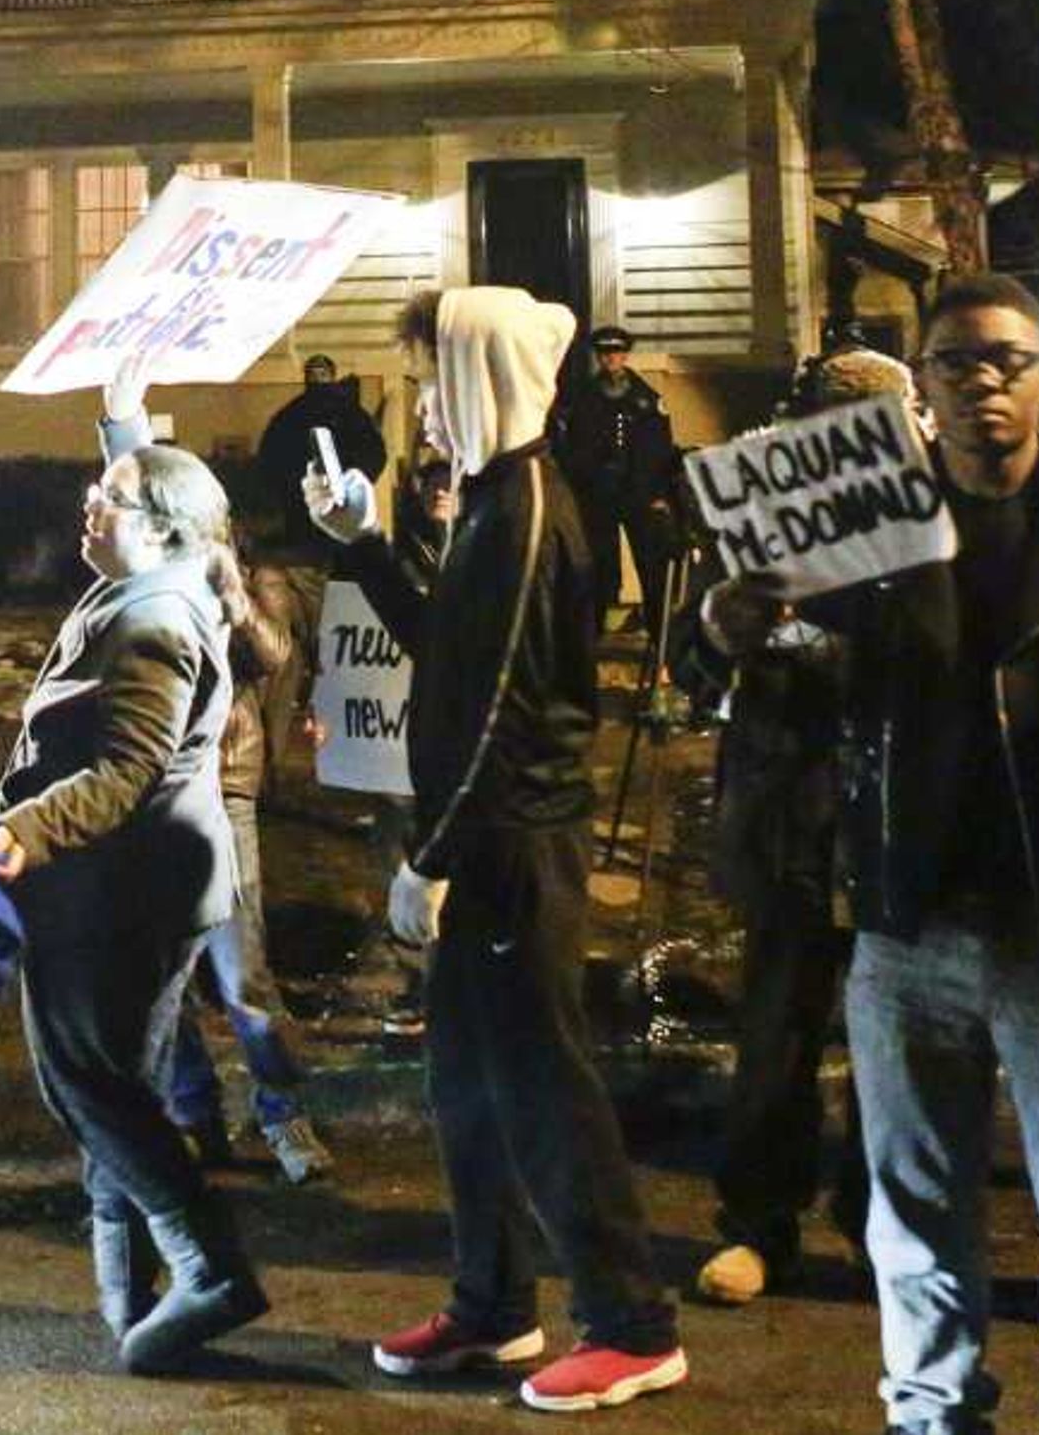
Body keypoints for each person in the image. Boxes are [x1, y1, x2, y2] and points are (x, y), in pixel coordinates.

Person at [691, 273, 1039, 1433]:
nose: (985, 382)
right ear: (921, 385)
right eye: (957, 362)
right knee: (915, 1214)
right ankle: (934, 1412)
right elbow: (769, 677)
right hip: (905, 917)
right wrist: (727, 631)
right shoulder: (866, 525)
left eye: (1008, 360)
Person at [307, 287, 689, 1414]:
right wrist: (366, 546)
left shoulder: (523, 506)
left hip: (514, 839)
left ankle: (631, 1322)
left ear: (478, 380)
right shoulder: (494, 501)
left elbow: (498, 713)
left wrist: (436, 852)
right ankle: (492, 1303)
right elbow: (447, 642)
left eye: (432, 380)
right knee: (467, 1077)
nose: (421, 404)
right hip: (496, 831)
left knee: (539, 1081)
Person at [0, 367, 264, 1376]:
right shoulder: (165, 578)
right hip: (153, 885)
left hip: (117, 887)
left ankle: (207, 1266)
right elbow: (153, 496)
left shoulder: (153, 620)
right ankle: (131, 1300)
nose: (90, 504)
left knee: (88, 1083)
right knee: (117, 1081)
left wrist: (31, 829)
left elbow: (126, 767)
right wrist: (124, 423)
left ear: (165, 528)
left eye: (110, 499)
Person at [684, 348, 913, 1310]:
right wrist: (719, 622)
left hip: (896, 813)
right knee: (778, 1028)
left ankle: (879, 1226)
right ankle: (758, 1227)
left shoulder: (927, 527)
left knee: (893, 1041)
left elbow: (911, 660)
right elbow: (697, 663)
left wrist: (786, 636)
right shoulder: (754, 522)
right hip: (787, 812)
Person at [153, 537, 337, 1187]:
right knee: (163, 977)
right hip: (151, 794)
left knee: (242, 976)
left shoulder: (254, 576)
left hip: (223, 789)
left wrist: (230, 593)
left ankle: (283, 1113)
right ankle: (193, 1112)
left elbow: (275, 653)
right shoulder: (141, 576)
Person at [548, 324, 683, 635]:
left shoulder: (647, 399)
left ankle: (659, 637)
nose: (611, 359)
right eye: (605, 353)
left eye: (617, 353)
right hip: (599, 497)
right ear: (598, 357)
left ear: (625, 355)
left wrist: (659, 494)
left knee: (651, 568)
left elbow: (661, 449)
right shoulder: (583, 399)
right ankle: (592, 638)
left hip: (639, 494)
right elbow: (571, 450)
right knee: (596, 569)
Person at [251, 355, 385, 549]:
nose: (318, 379)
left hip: (343, 504)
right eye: (313, 374)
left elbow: (374, 453)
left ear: (332, 375)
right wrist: (292, 489)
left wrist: (352, 480)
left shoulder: (351, 413)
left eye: (322, 373)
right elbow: (269, 458)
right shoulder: (290, 415)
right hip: (301, 508)